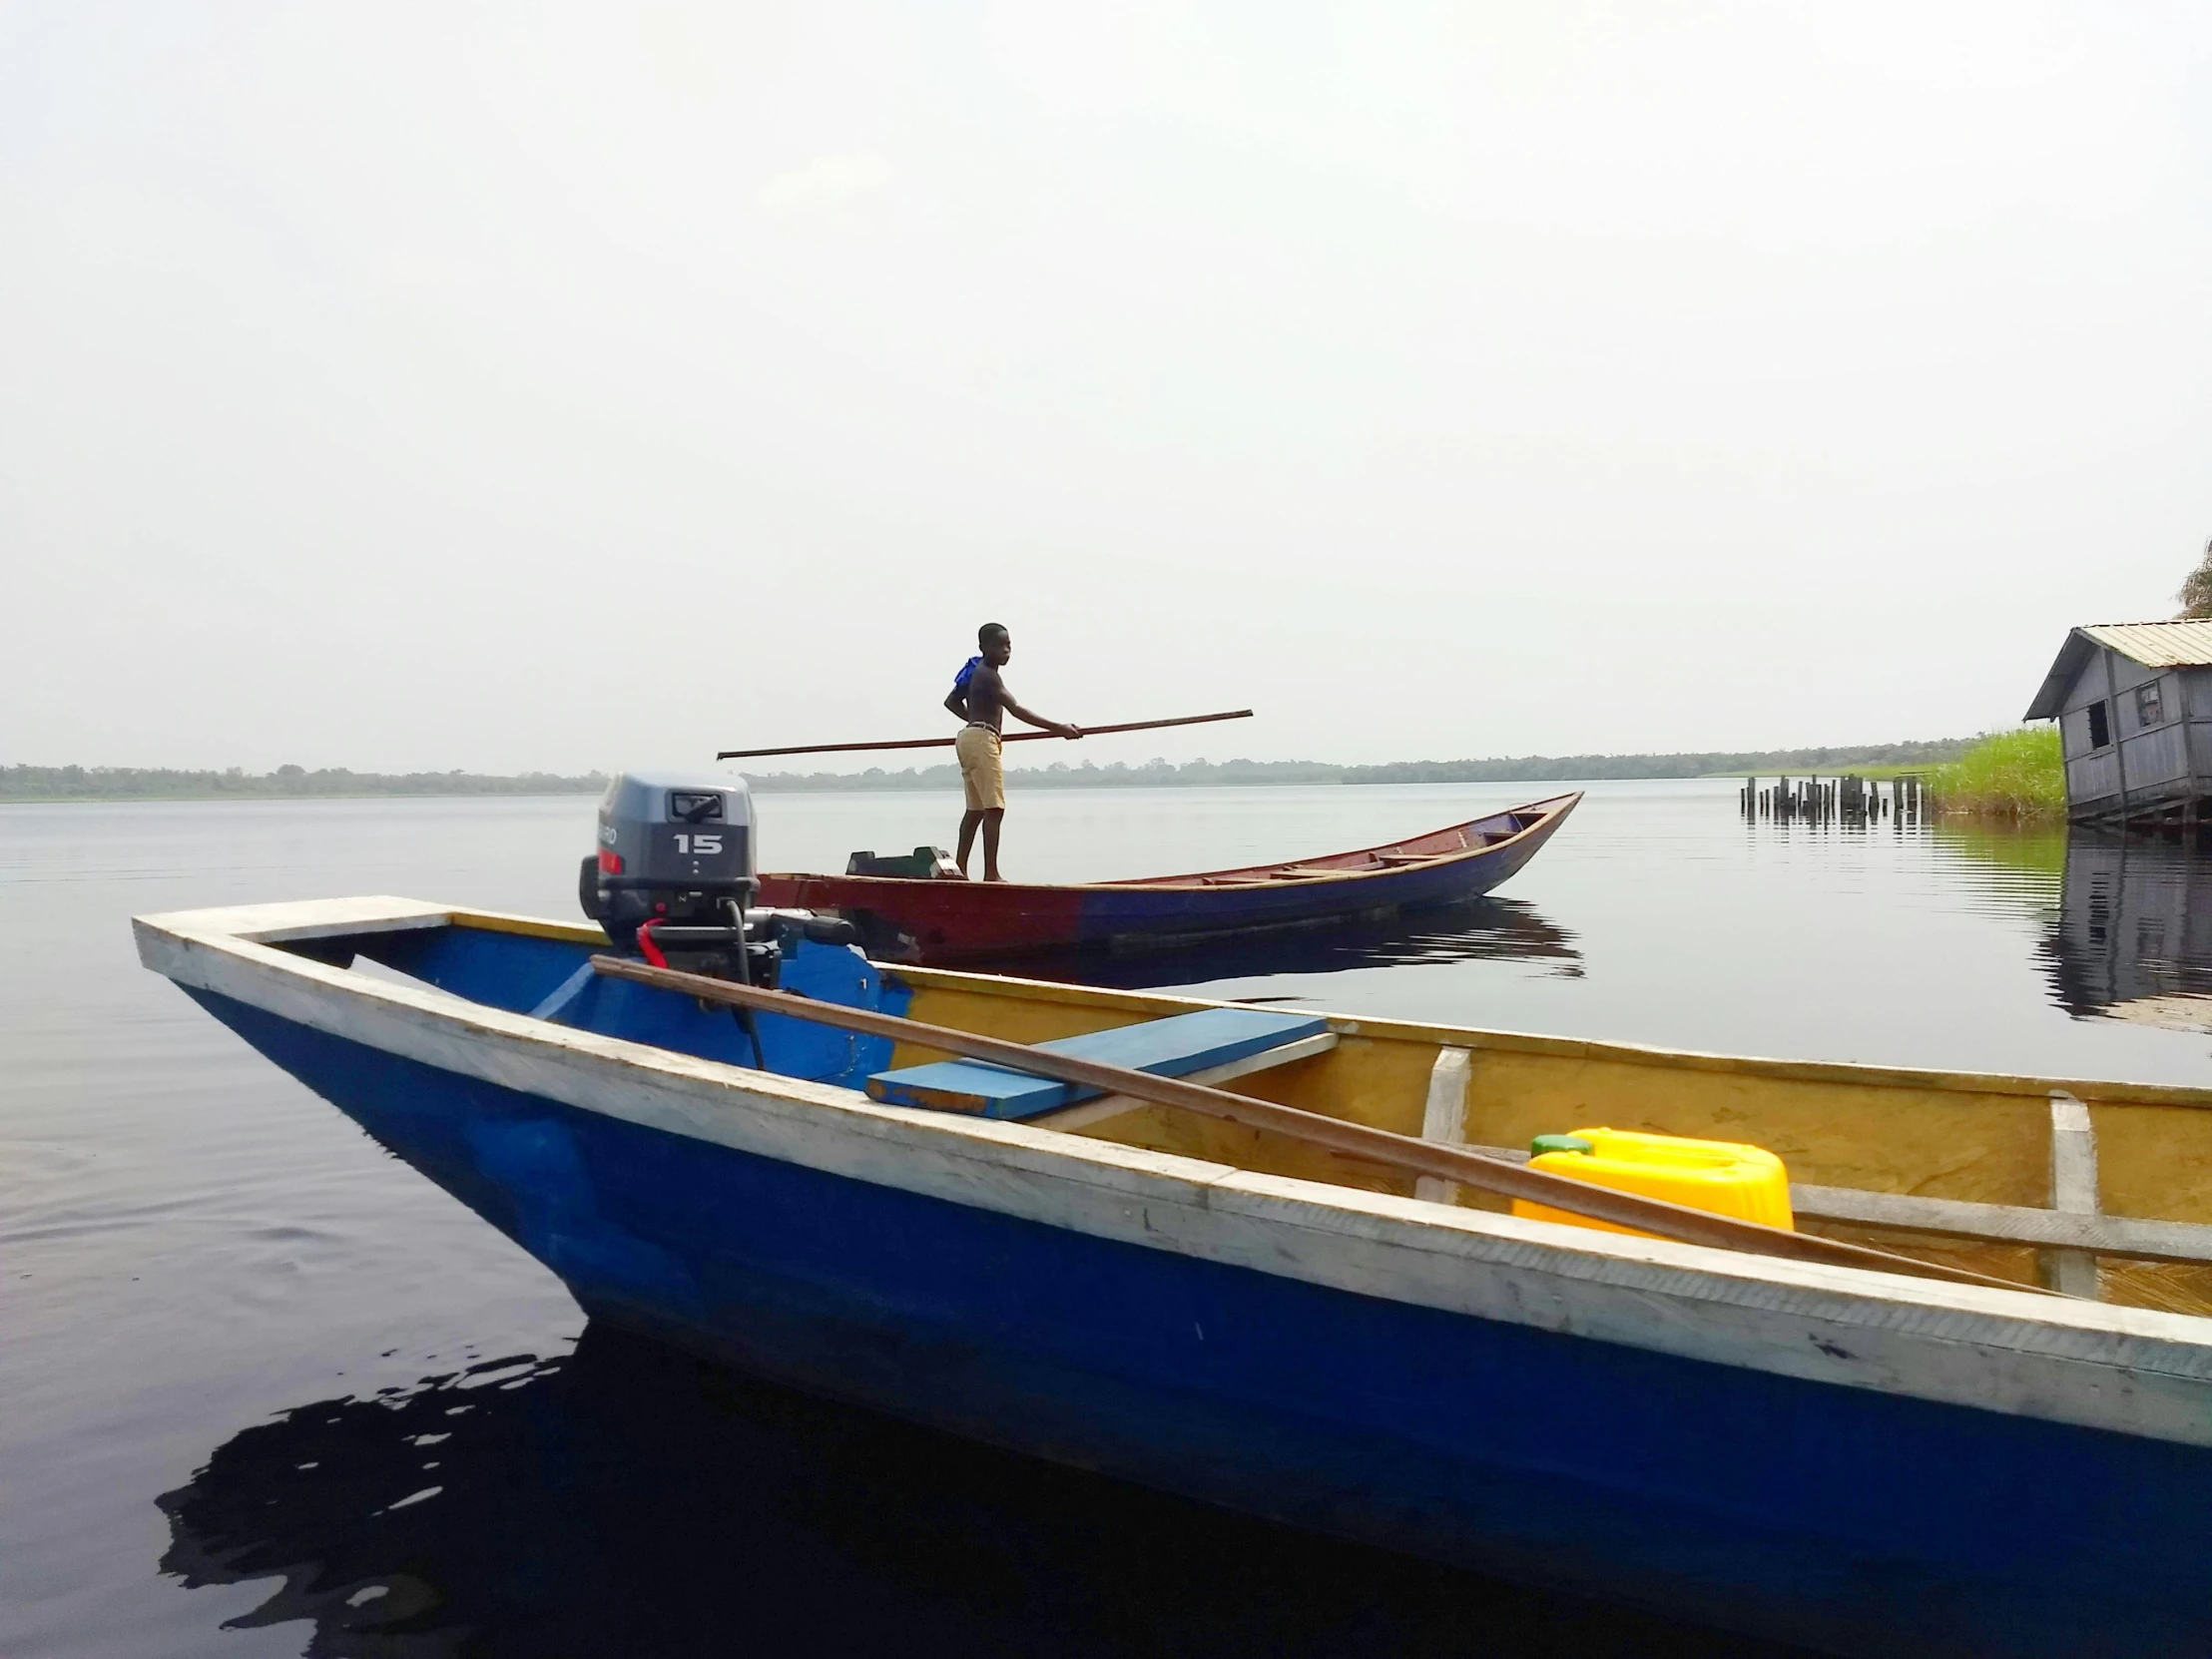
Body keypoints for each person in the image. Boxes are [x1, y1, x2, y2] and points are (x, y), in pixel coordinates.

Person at [942, 624, 1080, 880]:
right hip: (982, 740)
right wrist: (1058, 728)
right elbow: (1016, 709)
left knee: (976, 810)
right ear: (983, 647)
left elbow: (951, 702)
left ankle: (959, 871)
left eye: (1009, 646)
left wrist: (973, 721)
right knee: (994, 809)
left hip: (970, 738)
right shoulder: (987, 675)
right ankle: (991, 874)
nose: (1006, 651)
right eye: (999, 646)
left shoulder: (975, 673)